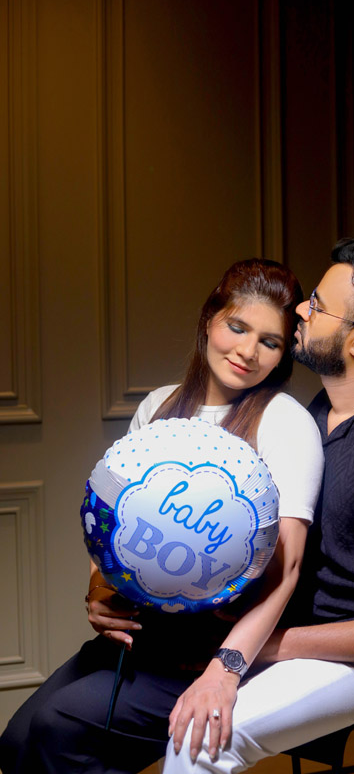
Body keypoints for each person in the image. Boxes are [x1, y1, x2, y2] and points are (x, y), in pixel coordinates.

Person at [0, 258, 324, 774]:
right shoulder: (157, 406)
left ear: (284, 353)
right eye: (237, 327)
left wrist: (225, 669)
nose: (247, 351)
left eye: (270, 341)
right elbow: (113, 511)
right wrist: (98, 589)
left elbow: (287, 569)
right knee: (17, 741)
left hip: (214, 649)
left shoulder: (285, 421)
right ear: (209, 320)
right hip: (145, 636)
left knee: (58, 729)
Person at [162, 237, 354, 774]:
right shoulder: (318, 411)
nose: (301, 309)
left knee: (201, 742)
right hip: (291, 628)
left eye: (318, 306)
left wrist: (269, 646)